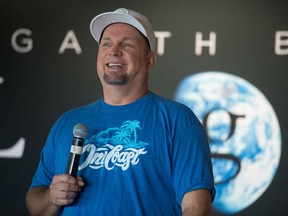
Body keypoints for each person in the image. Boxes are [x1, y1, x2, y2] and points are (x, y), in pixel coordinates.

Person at [26, 8, 215, 216]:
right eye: (106, 43)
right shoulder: (67, 122)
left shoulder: (178, 120)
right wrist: (51, 197)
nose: (114, 51)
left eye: (127, 44)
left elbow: (196, 208)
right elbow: (35, 203)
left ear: (149, 60)